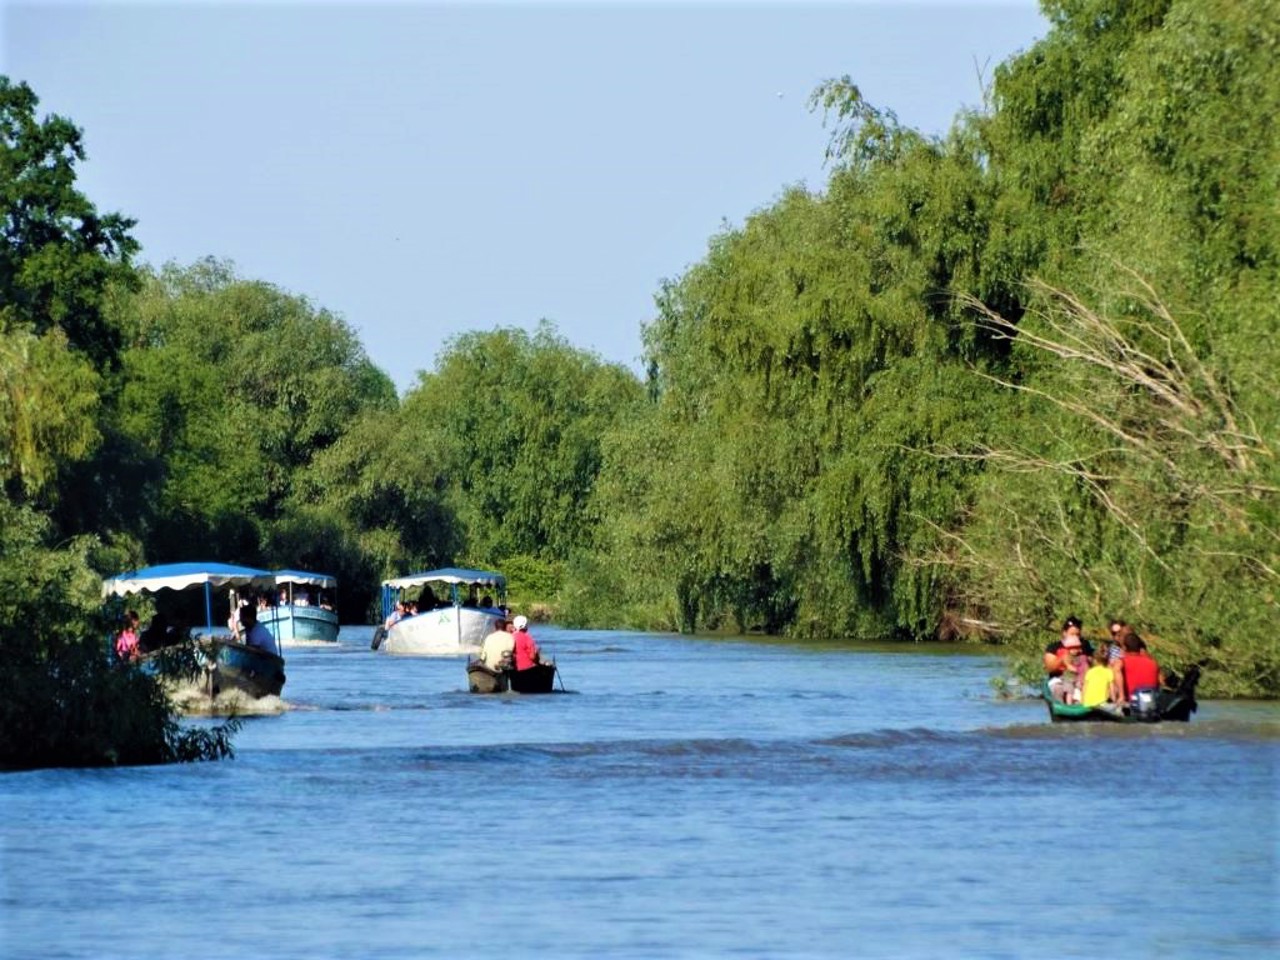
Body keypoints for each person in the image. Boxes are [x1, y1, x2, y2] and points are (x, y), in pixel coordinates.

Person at [1120, 627, 1161, 701]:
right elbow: (1161, 681)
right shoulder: (1153, 662)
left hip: (1132, 701)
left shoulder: (1122, 662)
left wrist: (1121, 696)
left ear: (1125, 648)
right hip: (1152, 701)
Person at [1081, 646, 1124, 712]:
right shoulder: (1108, 672)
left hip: (1088, 704)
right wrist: (1114, 701)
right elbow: (1112, 690)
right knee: (1118, 708)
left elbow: (1084, 688)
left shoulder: (1090, 671)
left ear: (1095, 660)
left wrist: (1083, 702)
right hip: (1101, 705)